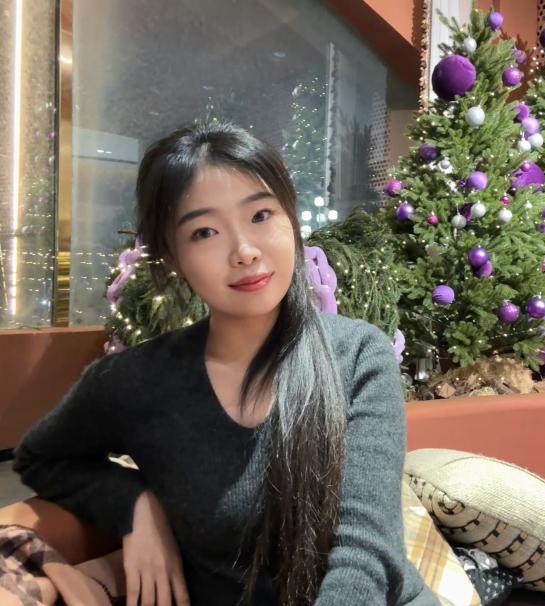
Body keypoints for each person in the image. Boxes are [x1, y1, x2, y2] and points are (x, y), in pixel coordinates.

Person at [13, 122, 439, 606]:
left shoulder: (358, 354)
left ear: (291, 218)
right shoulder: (137, 380)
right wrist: (135, 505)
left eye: (261, 215)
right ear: (172, 256)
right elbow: (40, 458)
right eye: (205, 232)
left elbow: (365, 553)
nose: (245, 251)